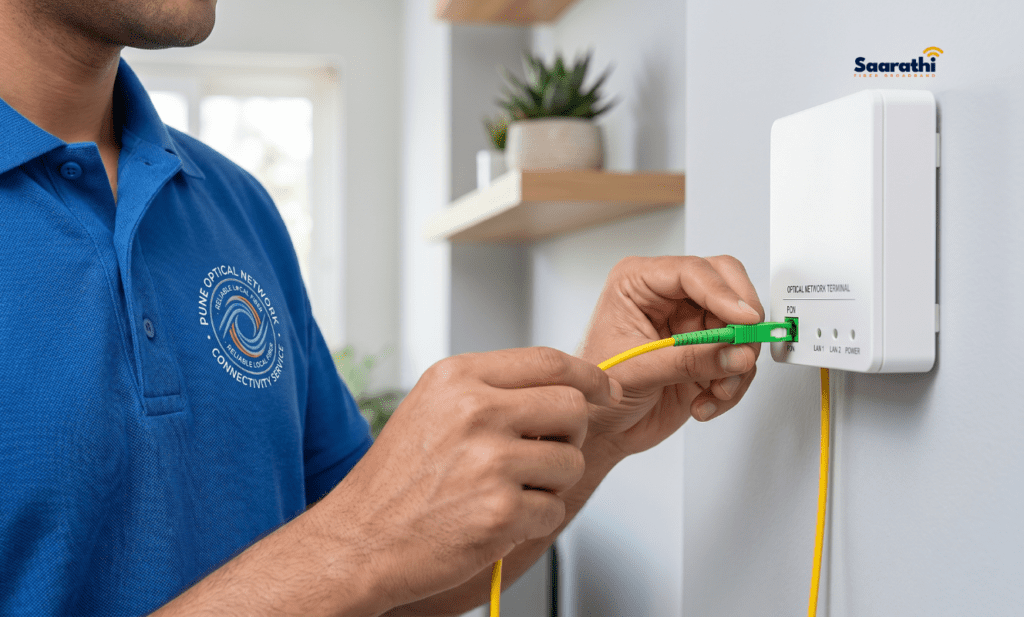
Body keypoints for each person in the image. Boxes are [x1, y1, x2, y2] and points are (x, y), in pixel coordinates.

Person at [0, 1, 763, 615]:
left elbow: (395, 582)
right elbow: (355, 555)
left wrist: (598, 422)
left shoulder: (236, 206)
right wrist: (352, 543)